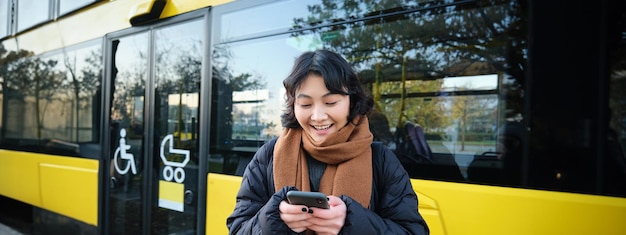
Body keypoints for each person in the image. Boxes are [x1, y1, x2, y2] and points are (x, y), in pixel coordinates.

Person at [226, 49, 429, 234]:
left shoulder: (381, 159)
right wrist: (273, 220)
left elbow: (413, 230)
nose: (318, 116)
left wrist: (351, 222)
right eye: (305, 104)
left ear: (351, 101)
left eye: (331, 102)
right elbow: (238, 228)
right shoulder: (269, 155)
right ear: (293, 105)